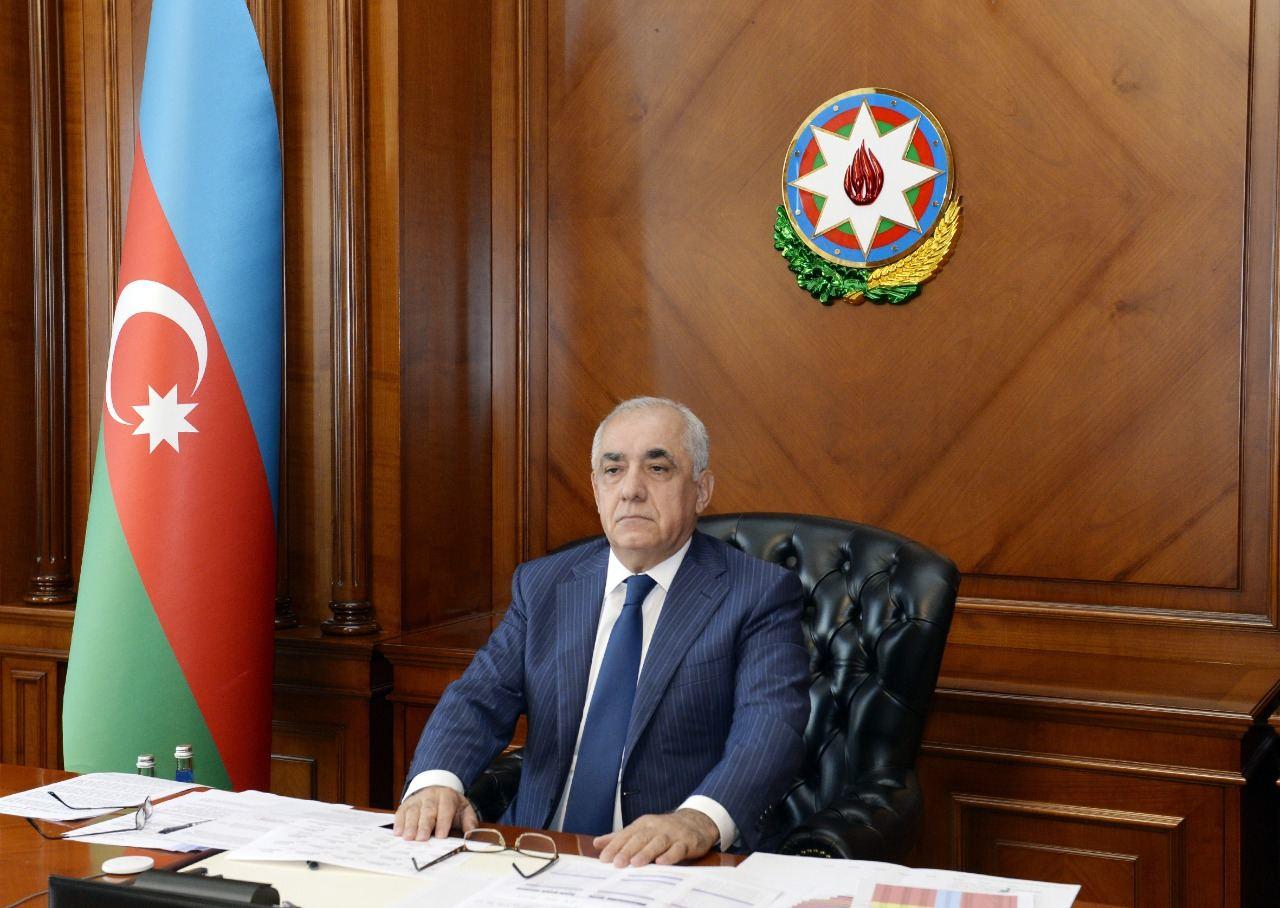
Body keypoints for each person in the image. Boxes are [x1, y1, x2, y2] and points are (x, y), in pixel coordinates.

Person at [394, 397, 809, 866]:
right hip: (534, 855)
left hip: (669, 864)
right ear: (596, 489)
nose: (631, 490)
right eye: (614, 470)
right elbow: (477, 699)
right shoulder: (544, 584)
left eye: (657, 468)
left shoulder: (758, 593)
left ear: (701, 490)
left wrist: (699, 819)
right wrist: (436, 783)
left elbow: (769, 727)